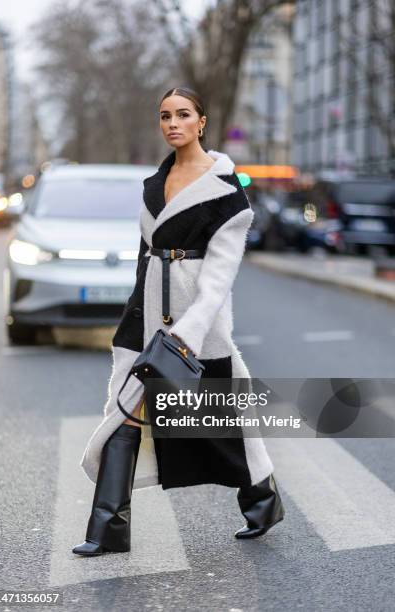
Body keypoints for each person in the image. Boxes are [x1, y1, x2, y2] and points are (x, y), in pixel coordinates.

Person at [73, 86, 285, 556]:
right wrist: (131, 316)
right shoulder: (153, 184)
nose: (173, 123)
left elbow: (219, 280)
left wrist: (187, 335)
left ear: (202, 122)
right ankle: (107, 529)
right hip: (146, 313)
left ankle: (263, 498)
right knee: (124, 412)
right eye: (165, 115)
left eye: (183, 114)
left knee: (223, 423)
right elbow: (145, 256)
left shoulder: (227, 193)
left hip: (199, 326)